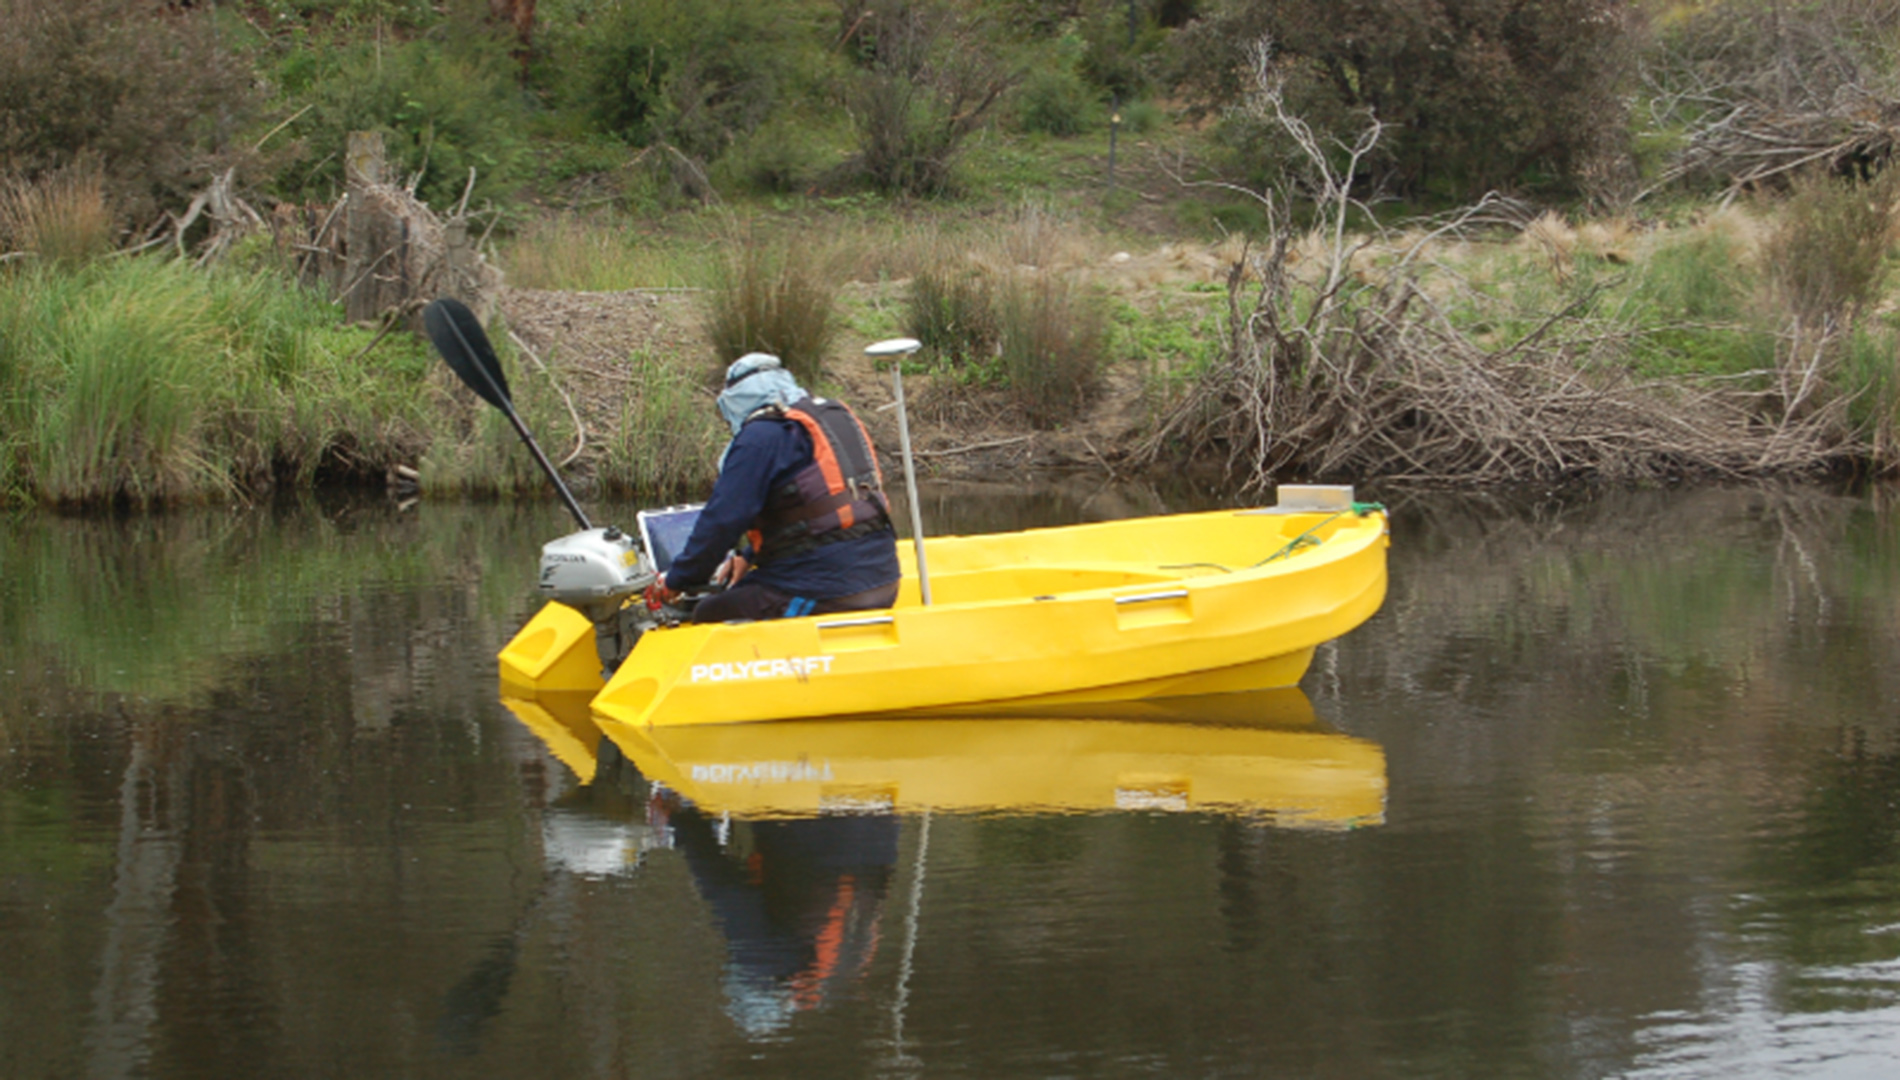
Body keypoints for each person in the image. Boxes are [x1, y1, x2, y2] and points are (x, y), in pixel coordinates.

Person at [645, 353, 900, 623]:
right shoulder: (832, 417)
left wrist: (676, 580)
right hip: (884, 580)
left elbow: (721, 521)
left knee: (709, 611)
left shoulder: (761, 436)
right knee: (750, 589)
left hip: (829, 590)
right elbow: (810, 509)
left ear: (735, 400)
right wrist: (748, 556)